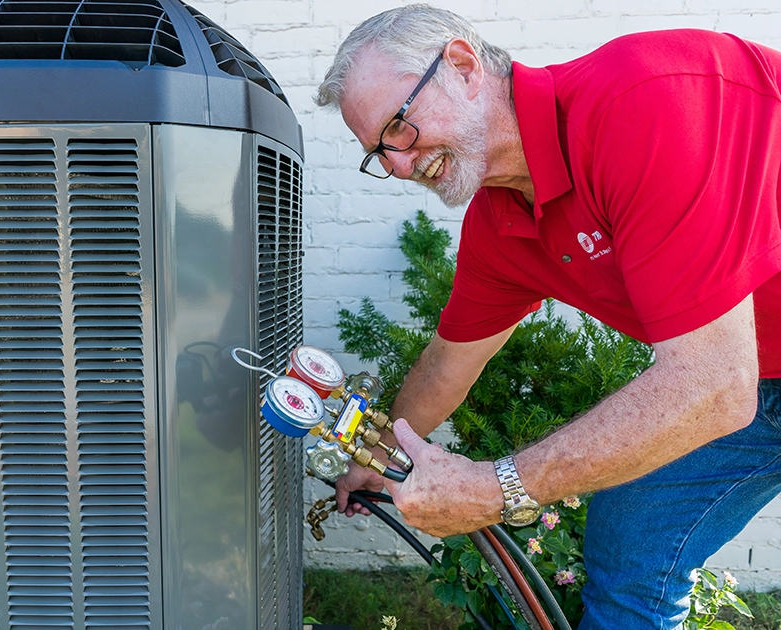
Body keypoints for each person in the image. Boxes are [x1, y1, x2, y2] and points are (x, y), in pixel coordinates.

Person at [313, 4, 781, 629]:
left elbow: (710, 385)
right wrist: (372, 461)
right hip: (757, 378)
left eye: (399, 128)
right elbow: (451, 362)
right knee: (634, 542)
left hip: (731, 379)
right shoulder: (500, 225)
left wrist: (493, 488)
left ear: (461, 65)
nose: (398, 163)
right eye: (379, 152)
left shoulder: (643, 103)